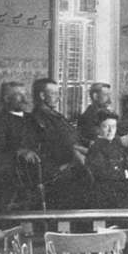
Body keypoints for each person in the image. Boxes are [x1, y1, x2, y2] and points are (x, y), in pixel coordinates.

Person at [27, 77, 87, 208]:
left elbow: (72, 136)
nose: (58, 98)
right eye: (54, 93)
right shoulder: (38, 119)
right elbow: (55, 145)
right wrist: (76, 154)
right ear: (42, 96)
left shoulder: (54, 115)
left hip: (71, 161)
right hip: (58, 169)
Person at [0, 81, 40, 209]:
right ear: (7, 99)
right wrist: (19, 152)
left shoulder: (32, 119)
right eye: (19, 95)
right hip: (13, 180)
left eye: (25, 94)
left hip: (37, 175)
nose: (25, 99)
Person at [76, 81, 113, 148]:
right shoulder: (89, 116)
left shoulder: (106, 113)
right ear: (95, 96)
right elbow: (102, 139)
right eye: (106, 95)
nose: (110, 100)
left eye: (109, 95)